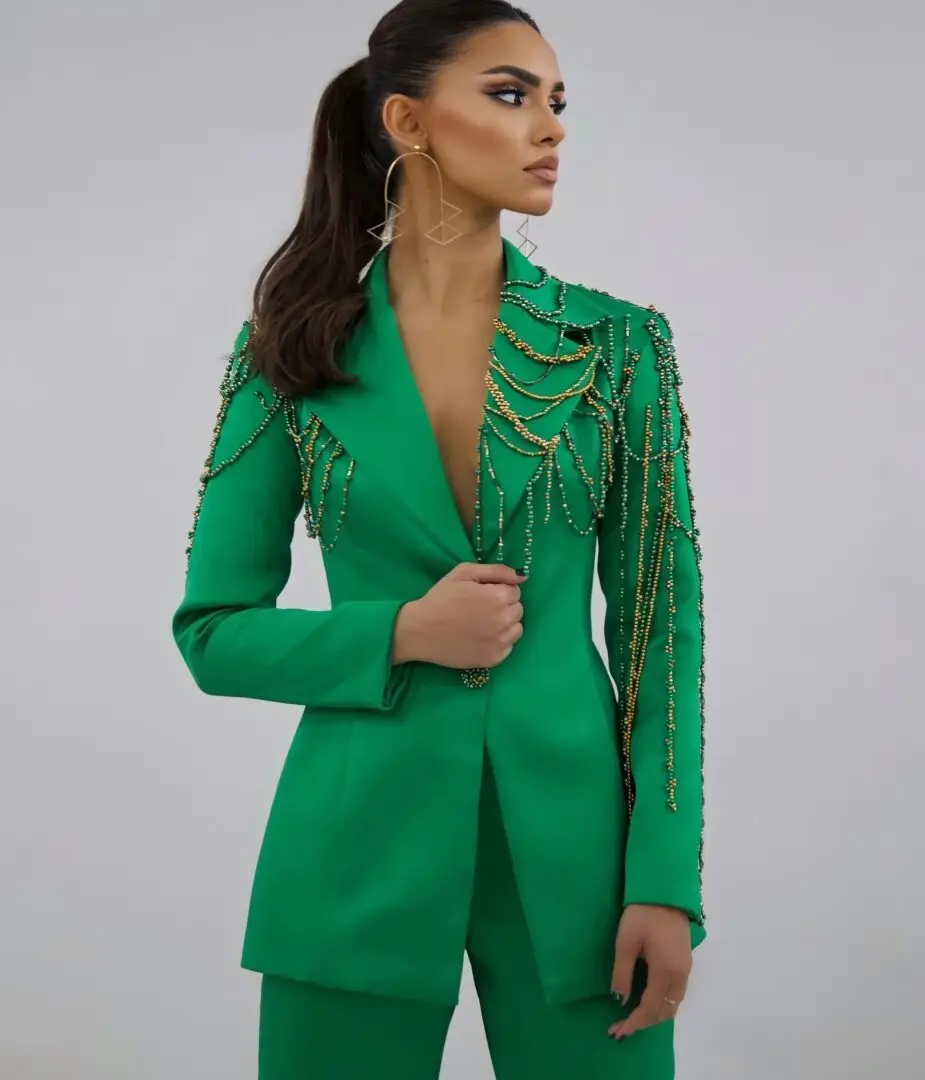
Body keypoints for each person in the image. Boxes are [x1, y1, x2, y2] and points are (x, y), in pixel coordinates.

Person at [172, 1, 707, 1076]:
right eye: (510, 95)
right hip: (353, 852)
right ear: (408, 122)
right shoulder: (290, 351)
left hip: (579, 862)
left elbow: (661, 631)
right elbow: (213, 632)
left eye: (556, 101)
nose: (549, 126)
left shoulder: (619, 347)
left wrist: (663, 878)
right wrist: (402, 633)